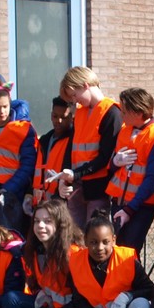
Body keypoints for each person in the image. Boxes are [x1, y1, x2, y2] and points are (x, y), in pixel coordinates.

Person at [54, 211, 152, 308]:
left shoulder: (127, 259)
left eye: (105, 242)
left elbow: (149, 289)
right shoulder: (76, 262)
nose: (100, 248)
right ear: (85, 241)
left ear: (114, 240)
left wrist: (127, 296)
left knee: (141, 306)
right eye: (93, 242)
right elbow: (80, 302)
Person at [16, 200, 82, 308]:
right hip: (49, 307)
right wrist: (40, 296)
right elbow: (37, 283)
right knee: (11, 300)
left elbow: (83, 300)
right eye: (37, 221)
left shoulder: (73, 254)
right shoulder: (34, 250)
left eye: (47, 221)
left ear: (60, 224)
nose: (40, 226)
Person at [106, 87, 154, 254]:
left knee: (130, 252)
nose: (121, 115)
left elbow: (152, 179)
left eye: (125, 111)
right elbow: (113, 167)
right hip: (119, 201)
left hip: (140, 207)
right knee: (118, 250)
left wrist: (130, 209)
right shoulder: (125, 130)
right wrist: (115, 162)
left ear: (139, 113)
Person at [58, 67, 123, 224]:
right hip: (77, 187)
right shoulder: (81, 112)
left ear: (85, 85)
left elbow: (105, 157)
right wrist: (64, 178)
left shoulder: (112, 112)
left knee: (93, 233)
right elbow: (71, 149)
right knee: (74, 234)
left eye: (74, 94)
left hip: (97, 189)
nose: (75, 100)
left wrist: (75, 174)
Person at [0, 79, 36, 232]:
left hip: (17, 189)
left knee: (15, 233)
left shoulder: (23, 128)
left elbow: (28, 164)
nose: (2, 111)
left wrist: (9, 188)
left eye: (5, 106)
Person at [34, 97, 75, 207]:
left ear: (71, 118)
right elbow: (37, 171)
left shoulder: (74, 140)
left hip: (61, 202)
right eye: (55, 116)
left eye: (63, 117)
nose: (58, 121)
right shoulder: (44, 140)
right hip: (42, 201)